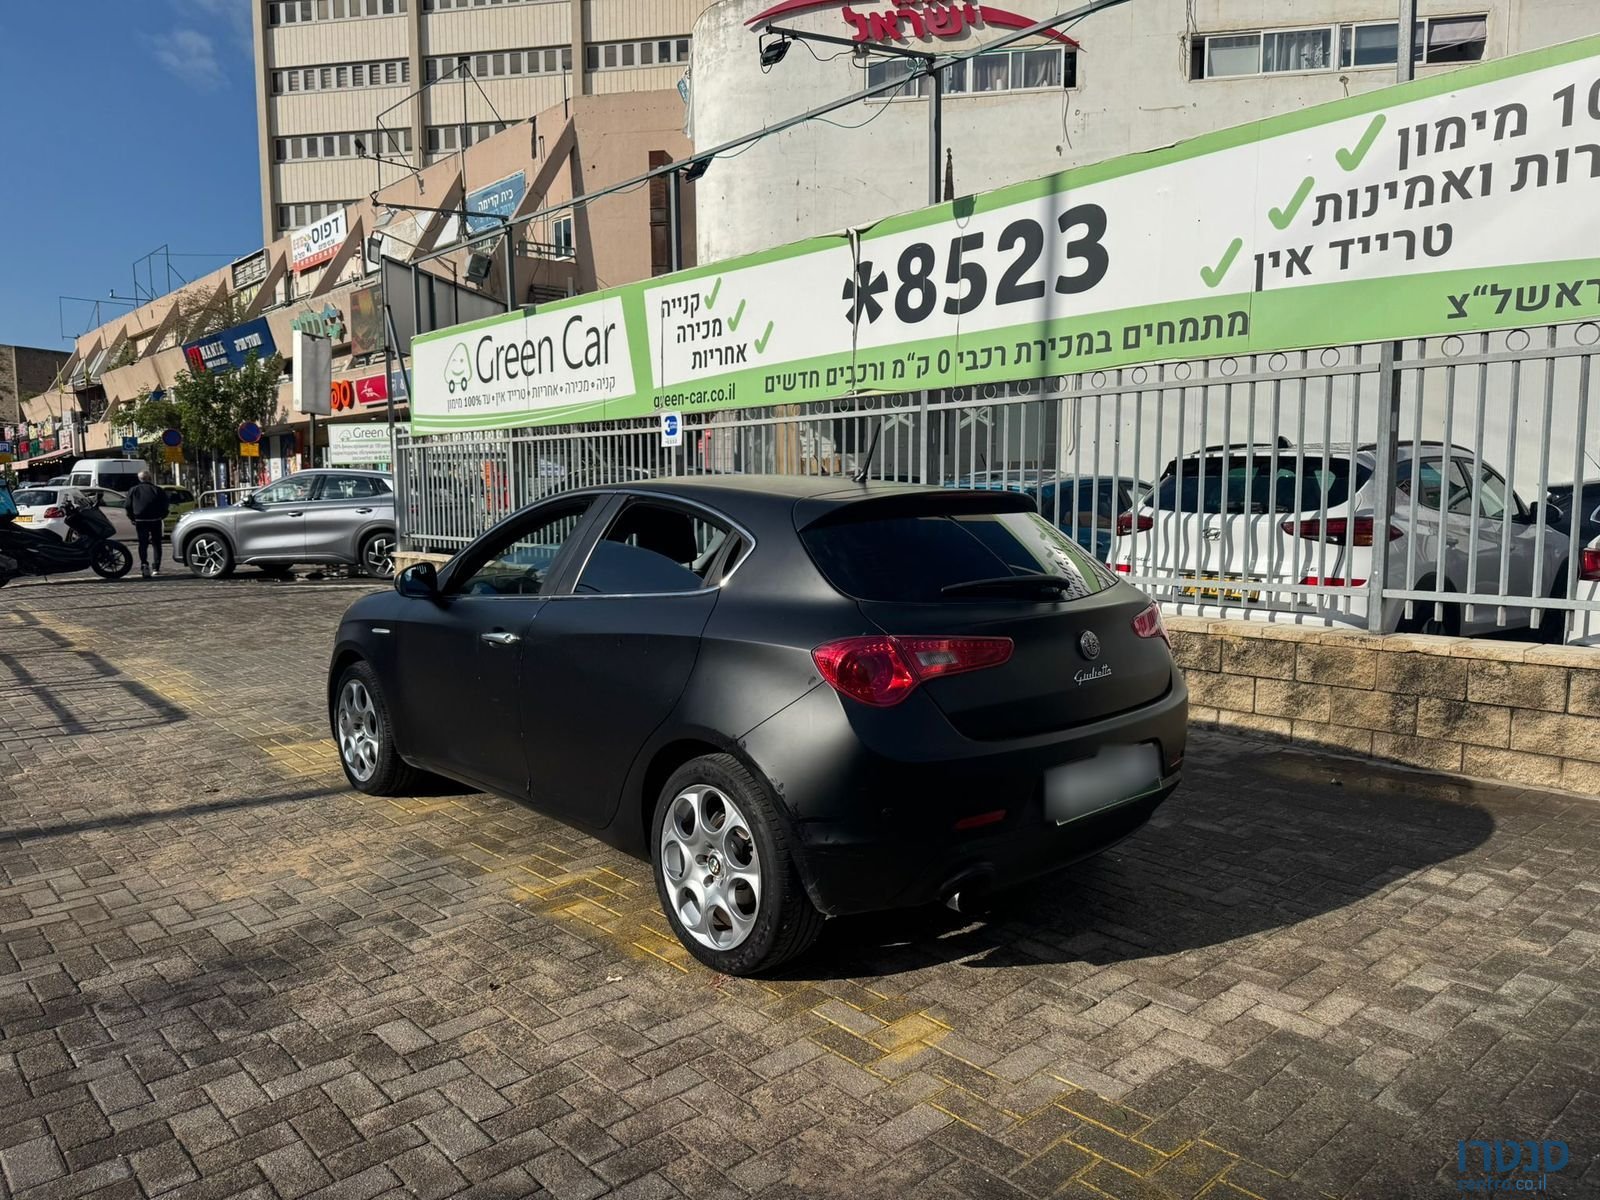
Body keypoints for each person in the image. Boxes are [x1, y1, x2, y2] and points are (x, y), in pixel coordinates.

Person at [125, 471, 170, 578]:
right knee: (156, 543)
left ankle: (144, 564)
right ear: (150, 478)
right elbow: (165, 504)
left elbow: (127, 506)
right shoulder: (157, 490)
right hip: (155, 519)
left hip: (140, 520)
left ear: (139, 479)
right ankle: (156, 567)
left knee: (143, 543)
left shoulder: (133, 490)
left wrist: (132, 517)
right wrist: (162, 516)